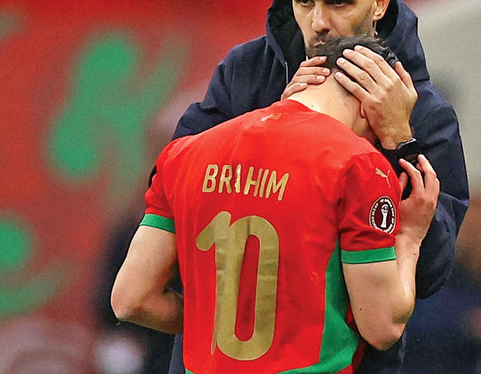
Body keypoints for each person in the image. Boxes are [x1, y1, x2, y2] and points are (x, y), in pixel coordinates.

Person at [165, 0, 469, 372]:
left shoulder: (422, 111)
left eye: (338, 2)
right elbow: (168, 203)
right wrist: (276, 124)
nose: (318, 22)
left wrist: (399, 142)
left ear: (379, 3)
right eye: (303, 1)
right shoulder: (245, 73)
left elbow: (431, 273)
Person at [111, 36, 440, 373]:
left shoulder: (183, 155)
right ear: (372, 100)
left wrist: (214, 321)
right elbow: (382, 327)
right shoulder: (359, 165)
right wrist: (410, 237)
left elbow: (131, 299)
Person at [401, 186, 481, 374]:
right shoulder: (431, 270)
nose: (475, 237)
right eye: (470, 228)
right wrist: (467, 325)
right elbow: (412, 322)